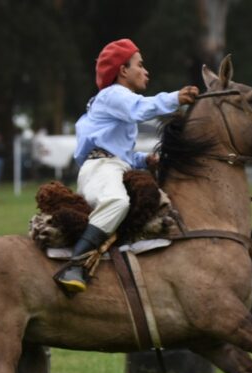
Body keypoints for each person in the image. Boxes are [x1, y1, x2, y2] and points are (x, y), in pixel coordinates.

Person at [55, 38, 199, 294]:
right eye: (140, 65)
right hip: (101, 169)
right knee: (118, 202)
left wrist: (144, 160)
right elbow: (140, 109)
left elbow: (122, 154)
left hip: (111, 166)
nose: (146, 71)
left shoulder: (116, 103)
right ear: (123, 70)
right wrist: (175, 98)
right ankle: (74, 265)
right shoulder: (113, 95)